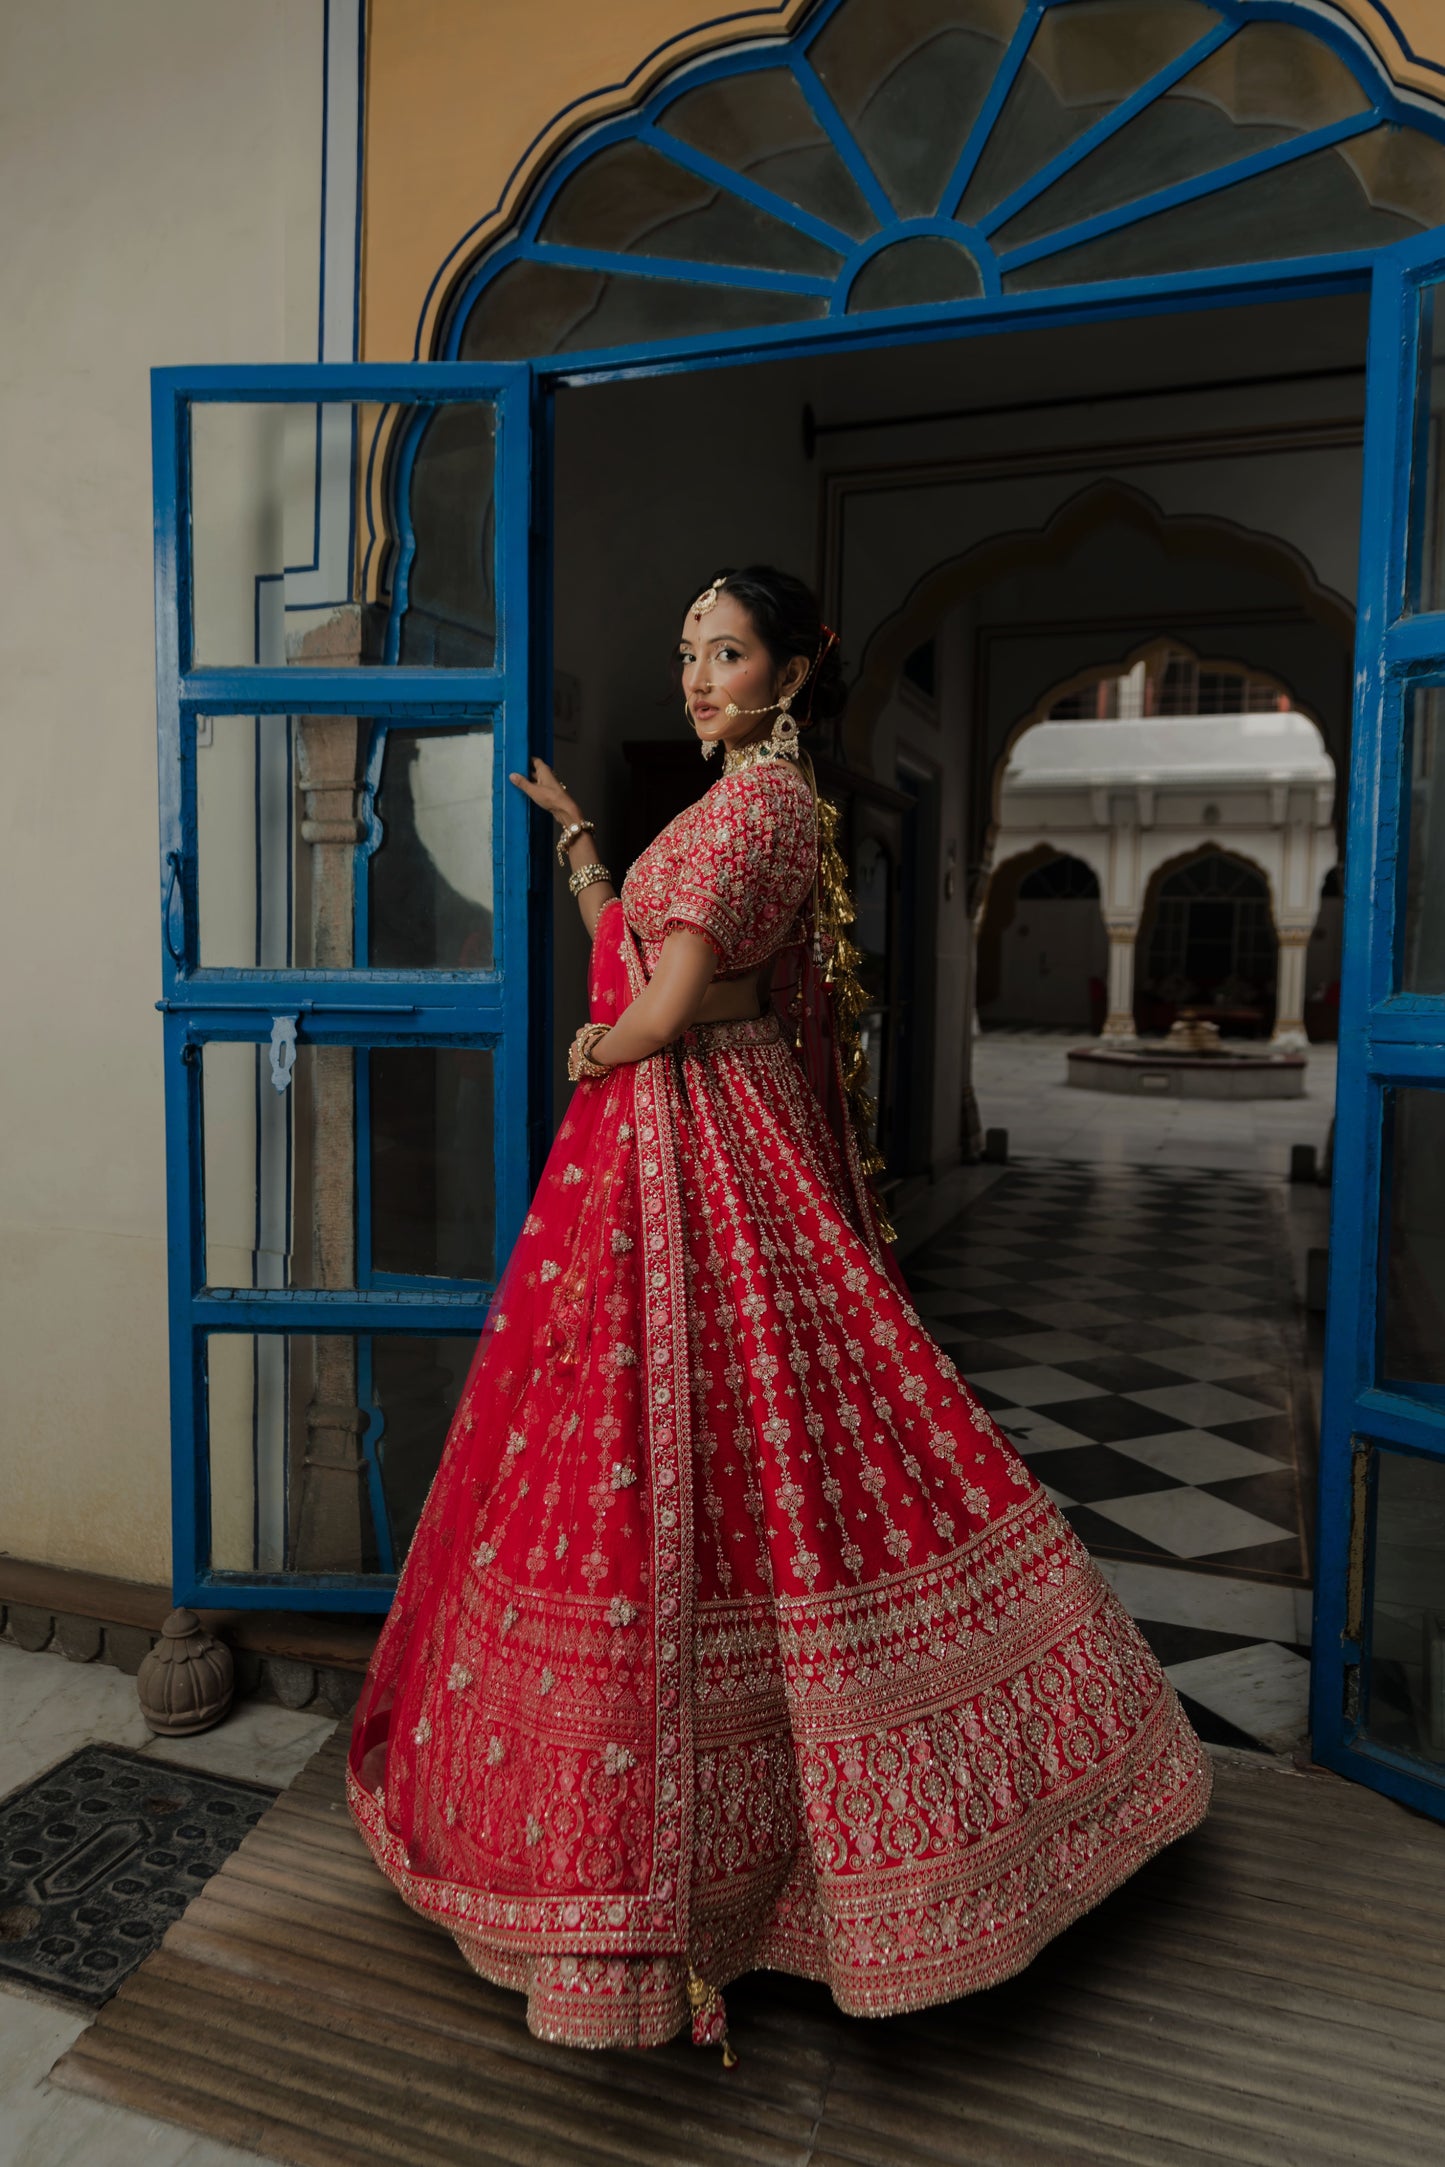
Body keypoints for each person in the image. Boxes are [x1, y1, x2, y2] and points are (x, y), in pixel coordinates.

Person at [347, 565, 1211, 2061]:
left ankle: (747, 1885)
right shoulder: (758, 809)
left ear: (793, 671)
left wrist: (588, 1051)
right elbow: (665, 953)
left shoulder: (753, 810)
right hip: (703, 1136)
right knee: (739, 1453)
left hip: (693, 1148)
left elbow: (667, 1006)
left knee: (718, 1453)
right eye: (686, 649)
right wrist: (578, 852)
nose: (696, 676)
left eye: (726, 652)